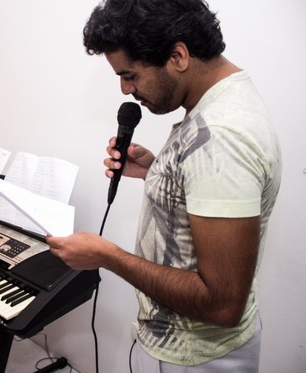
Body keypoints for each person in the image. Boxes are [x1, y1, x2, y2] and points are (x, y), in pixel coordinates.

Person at [46, 0, 281, 372]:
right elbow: (207, 181)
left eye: (131, 74)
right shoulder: (218, 104)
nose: (126, 89)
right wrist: (161, 172)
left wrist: (107, 256)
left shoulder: (221, 137)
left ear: (178, 55)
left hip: (195, 357)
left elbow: (221, 303)